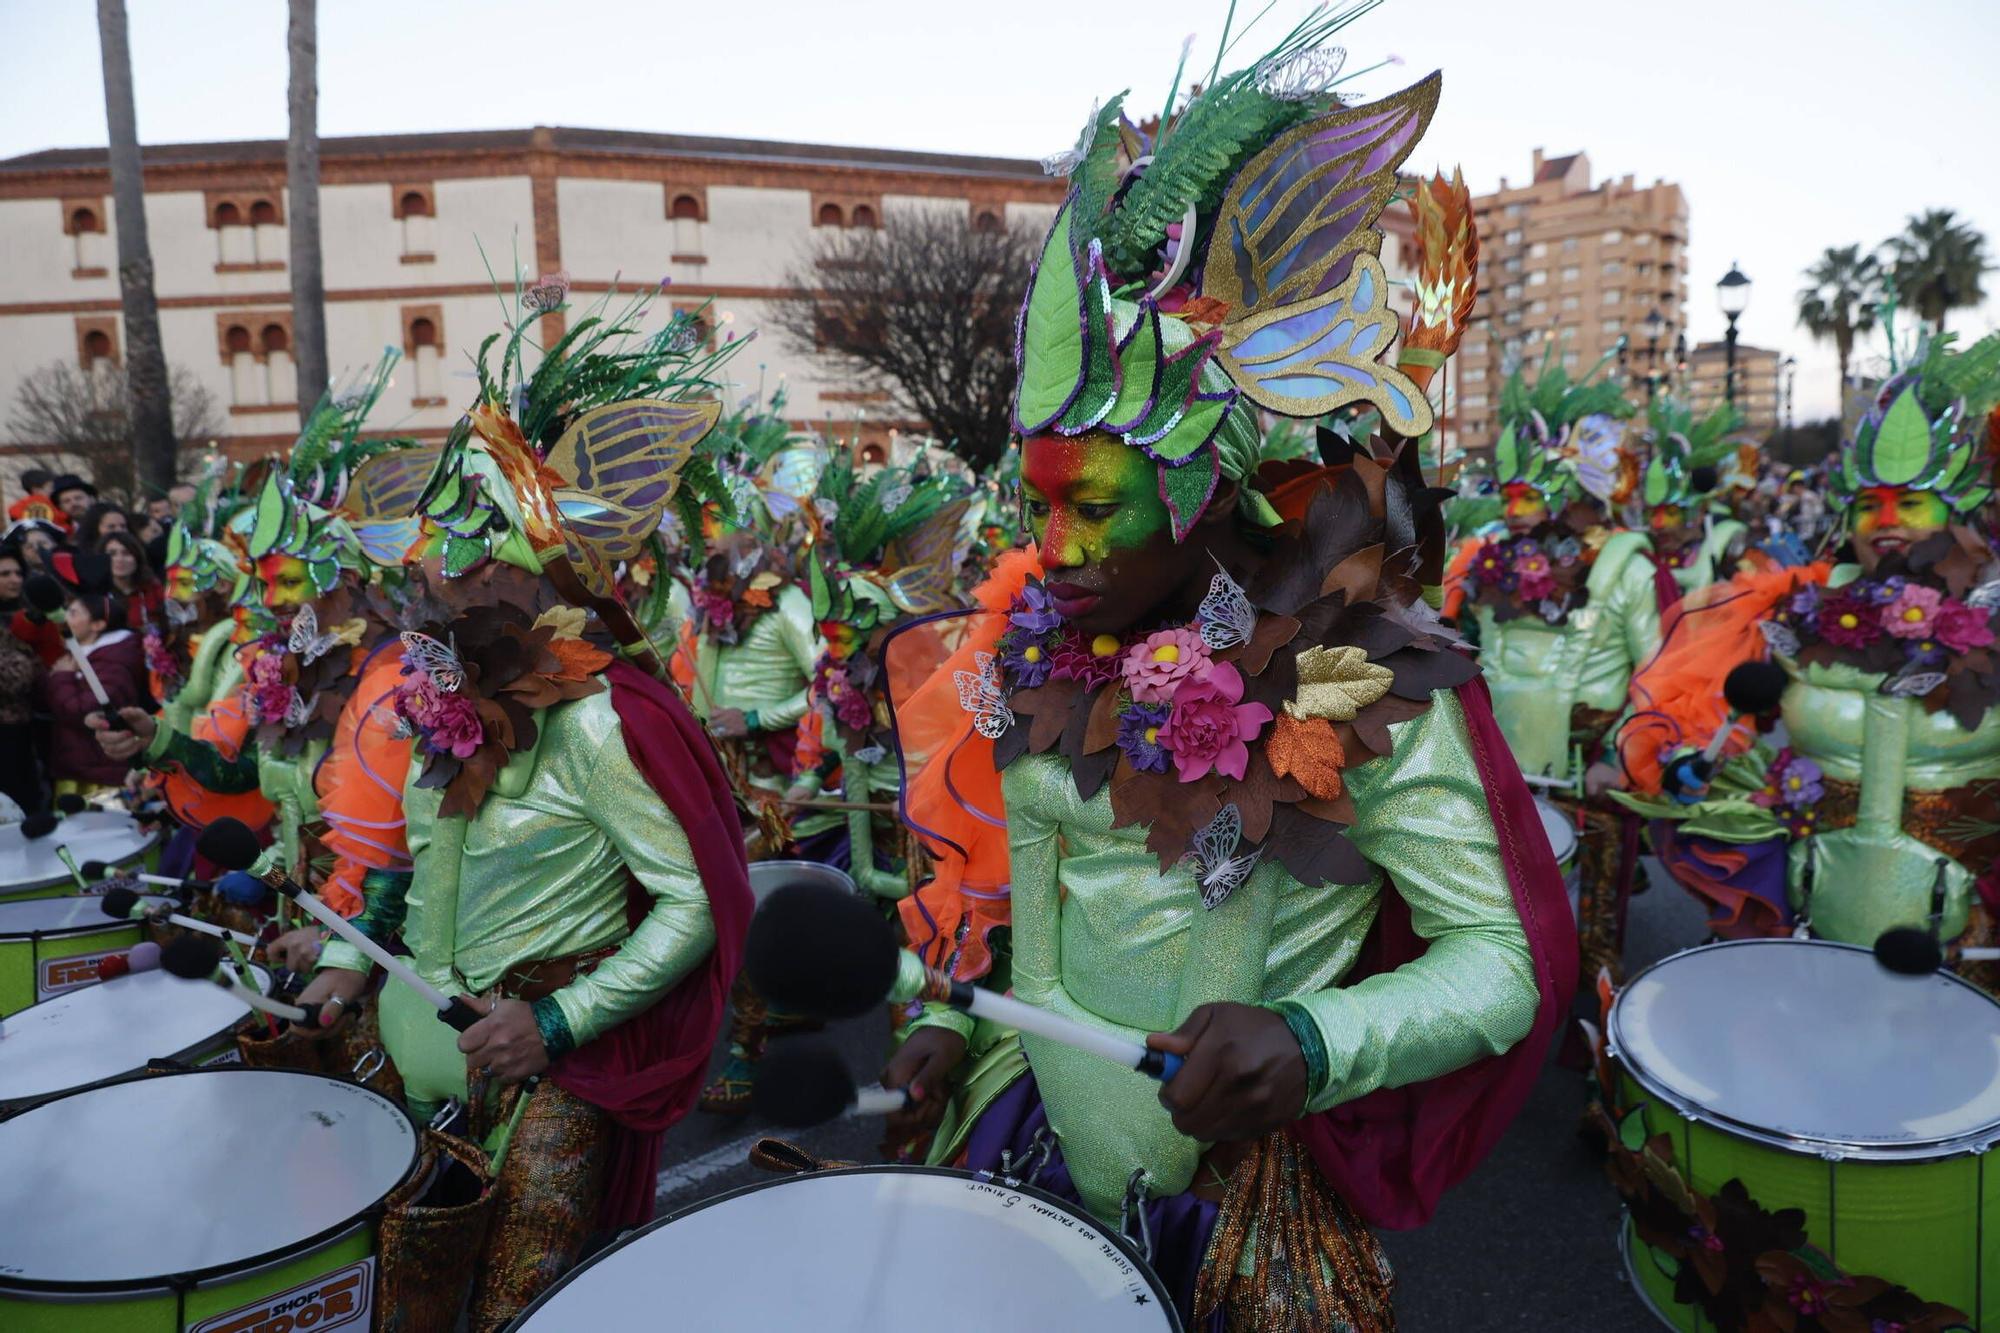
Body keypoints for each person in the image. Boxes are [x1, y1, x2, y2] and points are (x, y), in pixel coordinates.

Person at [873, 22, 1569, 1327]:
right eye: (1036, 505)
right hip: (1034, 1131)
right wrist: (956, 1030)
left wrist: (1312, 1045)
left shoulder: (1360, 673)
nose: (1051, 549)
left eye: (1093, 507)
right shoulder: (1038, 662)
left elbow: (1501, 957)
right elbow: (1033, 909)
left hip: (1254, 1182)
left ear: (1200, 488)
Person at [301, 292, 751, 1330]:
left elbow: (693, 903)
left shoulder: (599, 720)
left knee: (529, 1317)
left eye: (469, 558)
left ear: (536, 565)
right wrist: (345, 948)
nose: (437, 583)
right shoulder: (433, 704)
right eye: (432, 559)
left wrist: (554, 1021)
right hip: (407, 1063)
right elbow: (411, 868)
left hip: (545, 1082)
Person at [1613, 326, 2000, 994]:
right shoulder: (1800, 612)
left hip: (1963, 941)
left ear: (1958, 505)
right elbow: (1730, 735)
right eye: (1869, 505)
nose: (1887, 522)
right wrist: (1693, 771)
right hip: (1813, 913)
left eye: (1910, 502)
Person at [1441, 350, 1659, 984]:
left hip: (1589, 766)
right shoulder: (1484, 563)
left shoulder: (1628, 566)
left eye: (1528, 492)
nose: (1513, 509)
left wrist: (1620, 757)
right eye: (1506, 494)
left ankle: (1592, 1038)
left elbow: (1658, 674)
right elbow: (1466, 650)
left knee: (1590, 936)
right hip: (1503, 767)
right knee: (1508, 926)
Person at [1635, 393, 1751, 598]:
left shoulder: (1727, 549)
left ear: (1699, 512)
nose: (1658, 524)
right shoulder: (1642, 556)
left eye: (1671, 512)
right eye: (1652, 514)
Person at [39, 589, 150, 800]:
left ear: (98, 625)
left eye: (73, 613)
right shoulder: (84, 655)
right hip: (84, 767)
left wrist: (61, 678)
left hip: (100, 779)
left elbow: (85, 712)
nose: (63, 619)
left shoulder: (113, 664)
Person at [0, 549, 43, 812]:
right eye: (4, 574)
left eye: (18, 573)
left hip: (32, 725)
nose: (14, 579)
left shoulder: (34, 614)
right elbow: (15, 677)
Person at [101, 529, 164, 629]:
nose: (119, 559)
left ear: (137, 558)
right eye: (112, 554)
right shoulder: (94, 594)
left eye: (126, 553)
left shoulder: (153, 587)